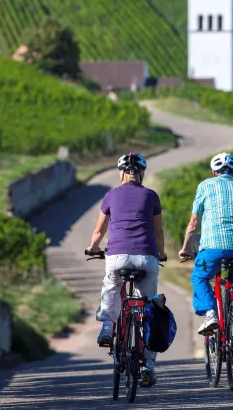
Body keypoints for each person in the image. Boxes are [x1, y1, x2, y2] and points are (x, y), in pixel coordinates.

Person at [86, 152, 167, 386]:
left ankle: (108, 326)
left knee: (111, 286)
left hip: (117, 258)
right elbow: (158, 232)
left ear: (121, 173)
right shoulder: (152, 196)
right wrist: (160, 253)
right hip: (146, 260)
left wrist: (92, 248)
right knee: (149, 306)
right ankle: (148, 365)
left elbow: (99, 232)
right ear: (141, 173)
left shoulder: (110, 195)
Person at [178, 152, 233, 377]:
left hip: (212, 250)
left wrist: (186, 248)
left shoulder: (205, 186)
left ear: (214, 172)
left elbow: (194, 223)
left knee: (199, 277)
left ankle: (211, 314)